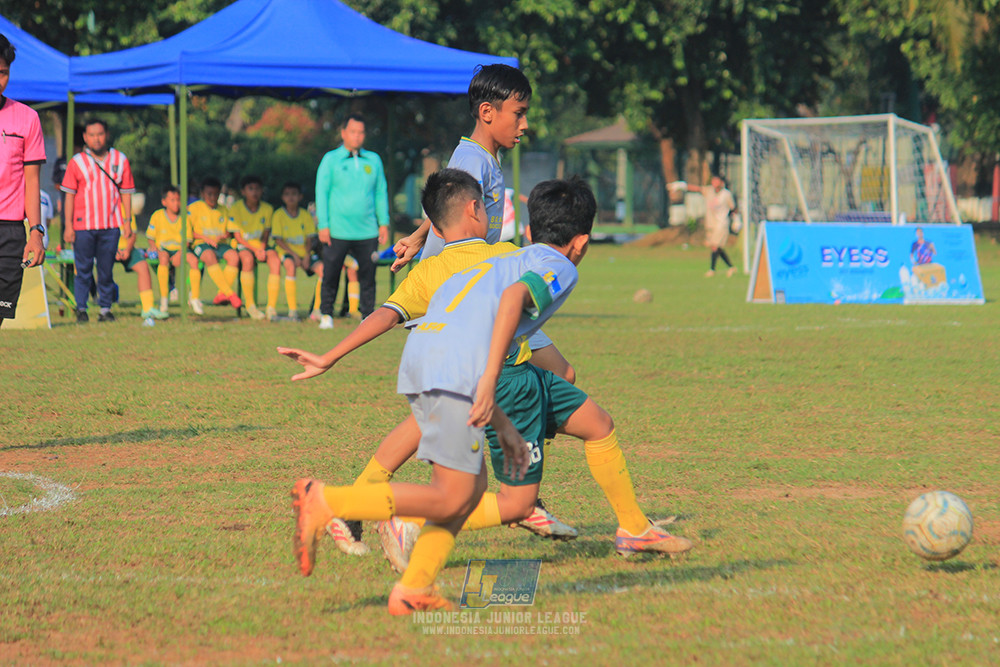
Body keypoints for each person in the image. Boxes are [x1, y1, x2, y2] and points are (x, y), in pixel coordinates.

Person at [283, 172, 691, 576]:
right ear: (475, 207)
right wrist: (516, 371)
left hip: (465, 369)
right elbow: (516, 303)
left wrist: (331, 355)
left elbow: (392, 315)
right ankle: (379, 515)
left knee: (596, 423)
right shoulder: (519, 256)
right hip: (501, 376)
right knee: (485, 499)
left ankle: (633, 527)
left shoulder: (459, 265)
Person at [314, 113, 389, 330]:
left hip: (367, 230)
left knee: (368, 275)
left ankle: (367, 315)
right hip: (337, 230)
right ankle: (326, 313)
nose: (357, 137)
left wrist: (383, 222)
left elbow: (380, 193)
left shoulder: (373, 160)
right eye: (353, 132)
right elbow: (322, 192)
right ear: (343, 133)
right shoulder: (331, 160)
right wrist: (323, 225)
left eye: (361, 132)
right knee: (331, 273)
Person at [60, 119, 132, 323]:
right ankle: (81, 308)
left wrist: (127, 222)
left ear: (106, 134)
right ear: (85, 137)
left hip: (110, 224)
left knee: (106, 269)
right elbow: (69, 195)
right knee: (82, 269)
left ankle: (105, 309)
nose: (96, 139)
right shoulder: (77, 162)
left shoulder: (120, 159)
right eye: (91, 135)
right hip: (83, 226)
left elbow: (126, 193)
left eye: (99, 134)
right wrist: (68, 226)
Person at [0, 34, 45, 328]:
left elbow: (32, 182)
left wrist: (36, 232)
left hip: (10, 234)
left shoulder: (27, 118)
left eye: (2, 72)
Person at [146, 185, 215, 314]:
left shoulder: (185, 217)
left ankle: (194, 298)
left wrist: (180, 253)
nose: (176, 203)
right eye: (172, 200)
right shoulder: (158, 216)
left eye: (178, 200)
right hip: (164, 249)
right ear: (164, 202)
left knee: (194, 261)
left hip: (181, 249)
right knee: (163, 258)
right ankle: (164, 298)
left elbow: (187, 240)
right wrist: (153, 246)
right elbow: (151, 236)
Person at [188, 177, 241, 314]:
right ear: (202, 194)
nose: (212, 197)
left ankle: (221, 294)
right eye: (209, 194)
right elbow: (187, 231)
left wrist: (225, 235)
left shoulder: (224, 210)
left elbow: (230, 230)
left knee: (234, 257)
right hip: (201, 244)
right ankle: (230, 294)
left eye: (215, 194)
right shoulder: (194, 209)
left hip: (219, 244)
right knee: (209, 256)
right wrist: (205, 238)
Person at [270, 182, 323, 321]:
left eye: (294, 194)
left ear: (300, 197)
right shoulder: (279, 215)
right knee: (290, 265)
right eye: (287, 194)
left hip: (304, 253)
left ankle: (317, 310)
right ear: (282, 197)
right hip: (286, 252)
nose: (291, 197)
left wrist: (306, 256)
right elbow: (278, 240)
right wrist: (294, 255)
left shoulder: (305, 215)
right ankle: (292, 310)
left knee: (323, 270)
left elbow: (310, 238)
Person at [228, 175, 278, 320]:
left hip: (260, 246)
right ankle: (251, 306)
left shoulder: (267, 209)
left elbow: (266, 233)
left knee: (274, 259)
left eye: (257, 189)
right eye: (250, 189)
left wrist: (261, 248)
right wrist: (256, 250)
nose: (254, 192)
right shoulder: (236, 208)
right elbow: (238, 237)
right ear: (243, 191)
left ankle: (271, 308)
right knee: (247, 259)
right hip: (243, 245)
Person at [671, 175, 737, 277]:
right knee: (717, 248)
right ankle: (731, 267)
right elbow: (697, 188)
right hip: (711, 223)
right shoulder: (709, 191)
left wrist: (736, 220)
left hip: (722, 223)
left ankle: (712, 270)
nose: (714, 183)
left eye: (717, 181)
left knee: (715, 246)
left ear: (721, 182)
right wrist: (682, 186)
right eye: (713, 181)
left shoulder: (726, 194)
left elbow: (733, 208)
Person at [117, 207, 168, 321]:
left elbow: (133, 234)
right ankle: (104, 308)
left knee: (143, 266)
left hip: (126, 248)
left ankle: (147, 308)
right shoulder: (103, 205)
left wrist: (127, 250)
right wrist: (113, 249)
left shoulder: (126, 208)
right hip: (107, 247)